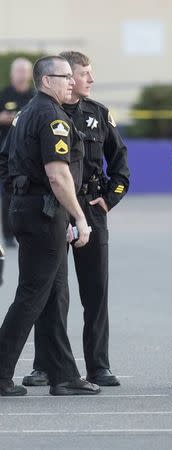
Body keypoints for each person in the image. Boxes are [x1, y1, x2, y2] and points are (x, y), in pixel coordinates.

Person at [22, 51, 130, 388]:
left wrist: (109, 200)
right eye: (82, 73)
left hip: (90, 207)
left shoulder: (98, 114)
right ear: (64, 76)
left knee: (95, 290)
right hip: (52, 208)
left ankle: (99, 365)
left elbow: (121, 162)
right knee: (51, 291)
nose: (87, 80)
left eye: (85, 74)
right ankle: (45, 366)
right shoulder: (43, 112)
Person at [0, 55, 101, 396]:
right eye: (64, 77)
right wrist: (81, 217)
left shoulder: (26, 113)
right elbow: (58, 176)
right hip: (44, 214)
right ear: (46, 81)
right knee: (31, 296)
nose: (71, 81)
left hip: (29, 209)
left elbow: (6, 162)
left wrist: (17, 195)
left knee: (50, 295)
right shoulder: (51, 116)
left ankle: (63, 375)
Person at [0, 58, 35, 248]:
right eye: (18, 71)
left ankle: (28, 232)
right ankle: (7, 235)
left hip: (29, 154)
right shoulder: (3, 95)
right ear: (12, 74)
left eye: (25, 71)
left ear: (30, 74)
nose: (22, 74)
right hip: (6, 152)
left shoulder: (35, 95)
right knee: (8, 193)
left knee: (31, 193)